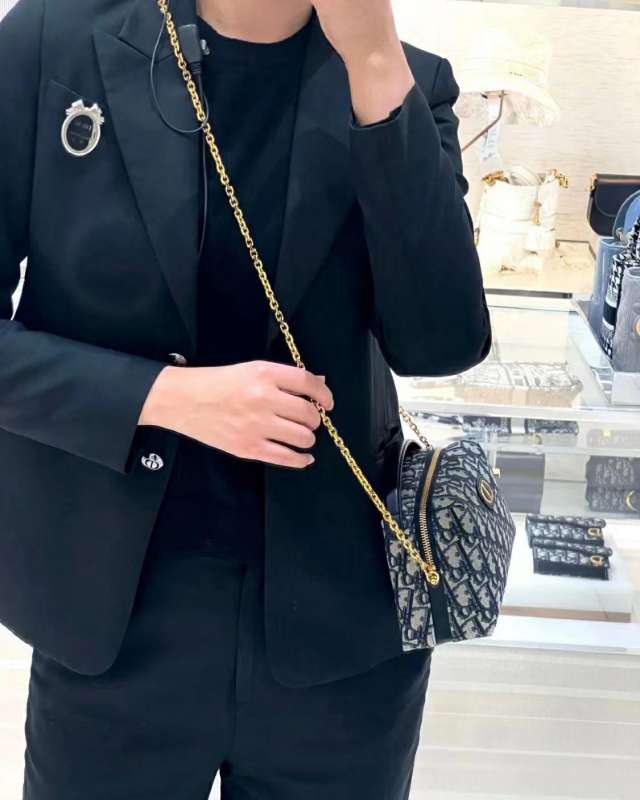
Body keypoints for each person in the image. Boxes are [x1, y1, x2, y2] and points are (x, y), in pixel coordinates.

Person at [0, 0, 492, 797]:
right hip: (112, 624)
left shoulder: (405, 81)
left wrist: (374, 62)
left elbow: (441, 342)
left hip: (342, 638)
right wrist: (165, 397)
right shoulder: (56, 42)